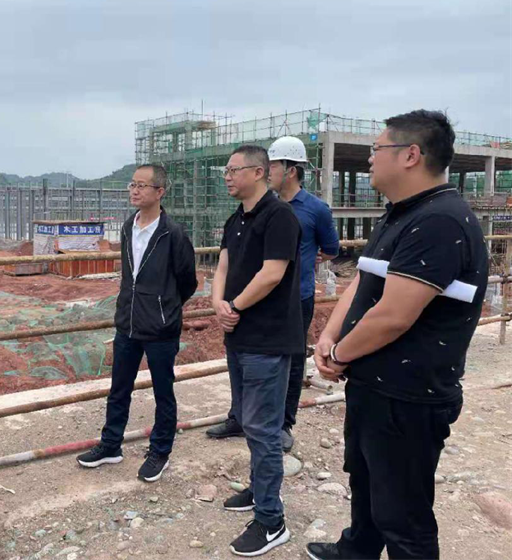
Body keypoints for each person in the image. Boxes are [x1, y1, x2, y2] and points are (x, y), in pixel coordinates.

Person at [306, 110, 488, 560]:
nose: (370, 159)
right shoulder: (401, 214)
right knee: (366, 481)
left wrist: (340, 355)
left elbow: (393, 316)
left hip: (408, 395)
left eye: (377, 149)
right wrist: (329, 337)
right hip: (374, 384)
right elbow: (363, 281)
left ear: (410, 155)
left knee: (404, 514)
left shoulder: (441, 221)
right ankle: (357, 550)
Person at [206, 136, 340, 452]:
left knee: (289, 363)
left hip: (294, 297)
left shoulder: (311, 210)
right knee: (242, 362)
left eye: (275, 165)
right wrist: (223, 304)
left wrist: (302, 263)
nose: (270, 172)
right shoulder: (247, 213)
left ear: (290, 169)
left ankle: (282, 425)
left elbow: (330, 249)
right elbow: (225, 266)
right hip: (248, 302)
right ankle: (240, 416)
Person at [76, 164, 197, 482]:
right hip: (127, 323)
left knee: (163, 391)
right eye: (132, 185)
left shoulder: (173, 233)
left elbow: (188, 281)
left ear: (160, 192)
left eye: (142, 186)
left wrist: (164, 309)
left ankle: (160, 451)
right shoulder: (129, 226)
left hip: (160, 328)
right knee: (119, 388)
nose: (134, 190)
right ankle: (110, 445)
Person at [212, 145, 303, 557]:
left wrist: (233, 306)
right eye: (226, 170)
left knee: (264, 429)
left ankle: (271, 520)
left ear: (259, 172)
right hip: (239, 337)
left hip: (267, 339)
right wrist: (218, 303)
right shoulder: (236, 218)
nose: (227, 176)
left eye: (234, 170)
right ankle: (258, 490)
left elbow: (272, 274)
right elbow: (223, 266)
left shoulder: (279, 215)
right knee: (250, 423)